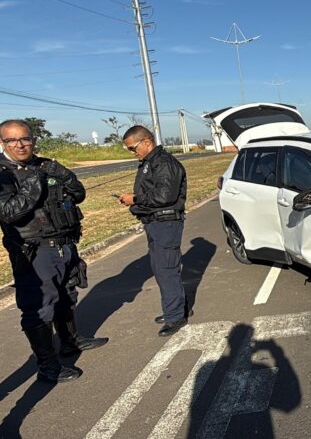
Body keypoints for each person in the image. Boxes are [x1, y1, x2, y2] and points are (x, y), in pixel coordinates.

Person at [0, 119, 107, 383]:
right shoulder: (3, 174)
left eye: (25, 138)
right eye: (12, 140)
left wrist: (62, 172)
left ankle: (70, 341)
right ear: (3, 143)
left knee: (66, 296)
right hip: (34, 252)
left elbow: (77, 193)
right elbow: (9, 212)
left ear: (33, 139)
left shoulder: (45, 164)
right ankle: (48, 365)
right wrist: (35, 181)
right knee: (39, 307)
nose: (20, 144)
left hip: (64, 243)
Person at [117, 125, 189, 337]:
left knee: (166, 269)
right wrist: (134, 198)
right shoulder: (150, 162)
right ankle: (174, 309)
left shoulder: (164, 163)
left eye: (133, 148)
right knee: (161, 269)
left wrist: (136, 199)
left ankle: (175, 315)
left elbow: (165, 195)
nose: (132, 153)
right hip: (155, 222)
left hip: (165, 223)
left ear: (147, 142)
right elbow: (153, 191)